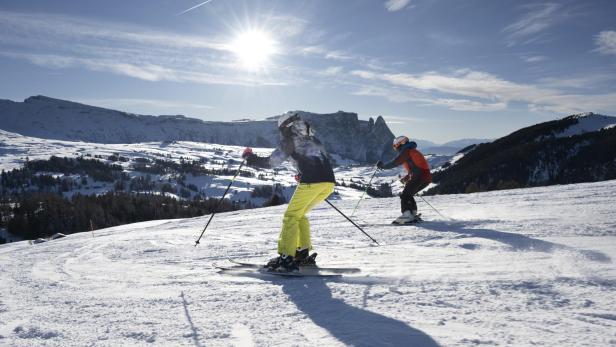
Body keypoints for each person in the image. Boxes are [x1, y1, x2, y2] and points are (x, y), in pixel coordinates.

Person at [242, 113, 336, 272]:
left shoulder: (290, 139)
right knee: (299, 214)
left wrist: (250, 158)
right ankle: (302, 253)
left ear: (286, 127)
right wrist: (303, 171)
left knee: (290, 216)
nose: (281, 133)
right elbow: (315, 158)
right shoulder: (312, 138)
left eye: (281, 130)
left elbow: (271, 162)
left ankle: (286, 258)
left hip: (313, 181)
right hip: (328, 182)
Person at [377, 136, 432, 224]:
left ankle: (407, 215)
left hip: (420, 177)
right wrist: (407, 178)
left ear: (399, 144)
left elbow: (396, 162)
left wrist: (383, 166)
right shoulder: (410, 151)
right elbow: (415, 168)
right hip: (425, 177)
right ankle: (412, 214)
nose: (395, 148)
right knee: (409, 194)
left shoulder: (406, 151)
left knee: (405, 195)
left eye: (395, 146)